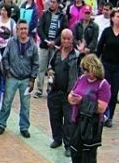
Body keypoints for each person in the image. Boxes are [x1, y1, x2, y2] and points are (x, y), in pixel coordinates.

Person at [0, 20, 39, 138]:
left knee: (25, 105)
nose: (23, 31)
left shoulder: (33, 45)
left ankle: (24, 127)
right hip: (12, 77)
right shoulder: (11, 42)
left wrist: (32, 79)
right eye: (21, 29)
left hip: (26, 79)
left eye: (25, 28)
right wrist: (7, 71)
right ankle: (1, 124)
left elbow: (36, 63)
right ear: (17, 30)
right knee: (6, 102)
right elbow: (5, 58)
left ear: (28, 30)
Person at [68, 54, 111, 162]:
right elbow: (71, 93)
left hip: (91, 126)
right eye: (84, 70)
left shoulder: (103, 84)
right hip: (76, 120)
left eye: (87, 70)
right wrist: (71, 98)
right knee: (75, 151)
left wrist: (81, 101)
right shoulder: (82, 78)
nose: (85, 72)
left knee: (88, 156)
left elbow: (101, 108)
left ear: (94, 69)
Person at [46, 29, 79, 157]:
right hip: (54, 91)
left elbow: (79, 74)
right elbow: (50, 66)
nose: (65, 41)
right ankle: (57, 139)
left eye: (68, 39)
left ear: (72, 40)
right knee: (55, 117)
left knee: (69, 121)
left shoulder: (76, 56)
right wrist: (49, 71)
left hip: (69, 94)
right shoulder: (56, 53)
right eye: (63, 38)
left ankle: (68, 145)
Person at [35, 0, 67, 98]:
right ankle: (39, 89)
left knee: (52, 69)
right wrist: (46, 40)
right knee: (41, 67)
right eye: (51, 2)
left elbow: (63, 30)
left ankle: (50, 89)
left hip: (55, 46)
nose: (51, 4)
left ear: (58, 4)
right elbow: (39, 28)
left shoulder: (62, 16)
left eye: (54, 2)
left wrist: (56, 41)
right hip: (44, 45)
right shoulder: (45, 14)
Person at [96, 8, 119, 128]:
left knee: (114, 93)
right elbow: (99, 48)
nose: (118, 19)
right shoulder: (106, 31)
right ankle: (102, 114)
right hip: (106, 64)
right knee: (105, 91)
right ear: (112, 18)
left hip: (117, 66)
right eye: (116, 16)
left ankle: (110, 117)